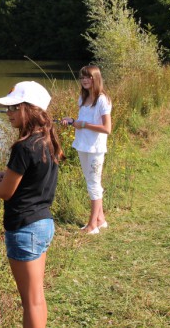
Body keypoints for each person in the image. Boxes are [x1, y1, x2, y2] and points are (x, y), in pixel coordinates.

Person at [0, 81, 63, 328]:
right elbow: (30, 179)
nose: (7, 113)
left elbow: (5, 192)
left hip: (24, 229)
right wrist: (2, 173)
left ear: (29, 109)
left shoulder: (23, 147)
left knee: (30, 301)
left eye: (13, 107)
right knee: (37, 297)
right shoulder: (47, 140)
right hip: (43, 224)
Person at [61, 65, 112, 234]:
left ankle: (92, 226)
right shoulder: (83, 99)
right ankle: (101, 219)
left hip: (95, 148)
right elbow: (81, 121)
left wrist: (83, 124)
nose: (84, 80)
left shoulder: (102, 100)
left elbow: (107, 128)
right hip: (82, 145)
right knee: (92, 182)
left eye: (88, 77)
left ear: (95, 78)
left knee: (93, 184)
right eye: (82, 77)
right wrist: (72, 120)